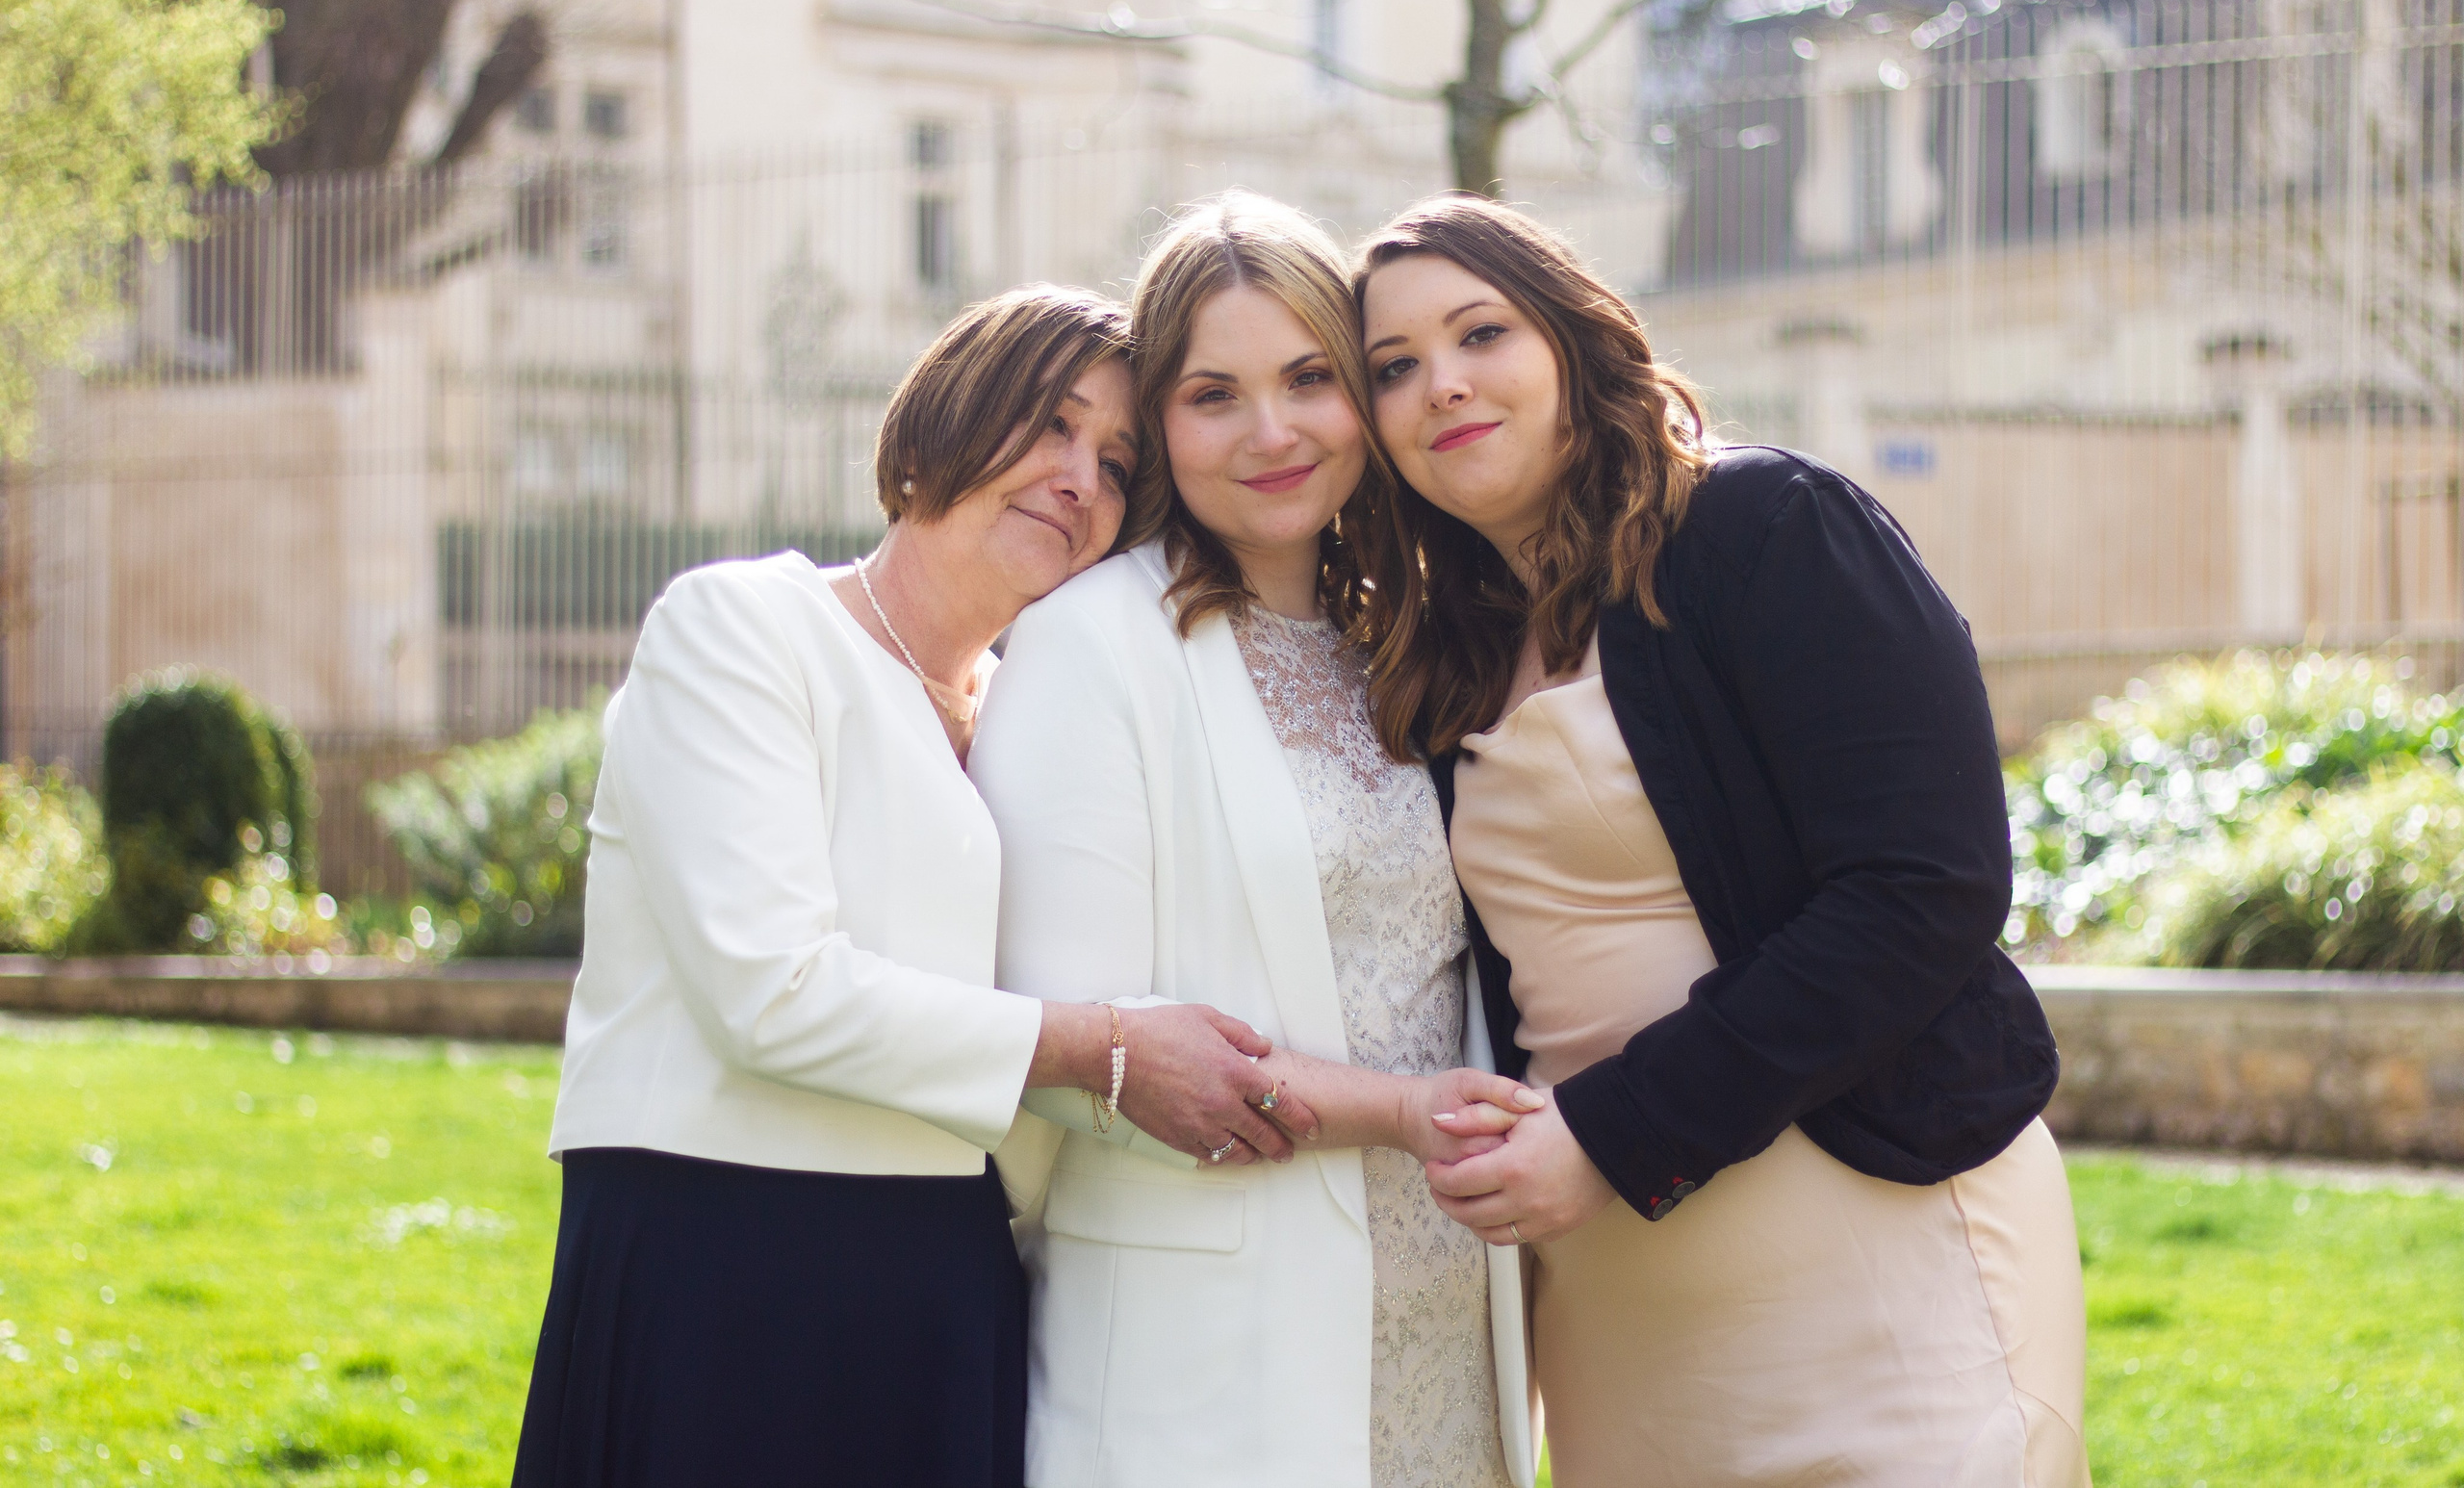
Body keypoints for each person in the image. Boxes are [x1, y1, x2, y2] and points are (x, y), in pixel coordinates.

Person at [510, 284, 1322, 1488]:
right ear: (946, 415)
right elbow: (770, 992)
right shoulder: (744, 627)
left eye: (1114, 462)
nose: (1077, 480)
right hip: (718, 1257)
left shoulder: (1036, 711)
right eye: (1048, 425)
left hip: (948, 1270)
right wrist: (1109, 1047)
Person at [1352, 195, 2092, 1488]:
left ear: (1575, 342)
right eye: (1394, 367)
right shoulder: (1449, 647)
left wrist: (1613, 1131)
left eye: (1482, 332)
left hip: (1883, 1252)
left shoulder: (1763, 528)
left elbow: (1924, 886)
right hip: (1621, 1313)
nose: (1442, 385)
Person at [971, 193, 1540, 1488]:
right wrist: (1402, 1113)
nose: (1272, 430)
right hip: (1211, 1349)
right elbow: (1072, 1052)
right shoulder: (1089, 641)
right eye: (1214, 393)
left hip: (1447, 1313)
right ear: (1161, 426)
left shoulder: (1405, 639)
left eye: (1309, 379)